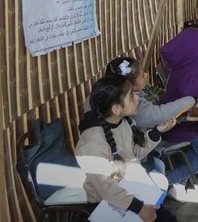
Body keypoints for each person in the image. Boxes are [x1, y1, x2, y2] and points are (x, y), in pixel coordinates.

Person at [76, 75, 178, 222]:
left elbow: (133, 155)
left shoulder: (122, 124)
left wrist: (156, 132)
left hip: (130, 191)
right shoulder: (92, 143)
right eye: (131, 96)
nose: (137, 98)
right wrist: (139, 208)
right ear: (117, 108)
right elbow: (106, 188)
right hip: (107, 204)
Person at [159, 27, 198, 181]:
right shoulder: (188, 72)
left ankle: (182, 178)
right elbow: (191, 93)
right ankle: (169, 180)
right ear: (195, 51)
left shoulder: (185, 66)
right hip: (182, 124)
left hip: (181, 121)